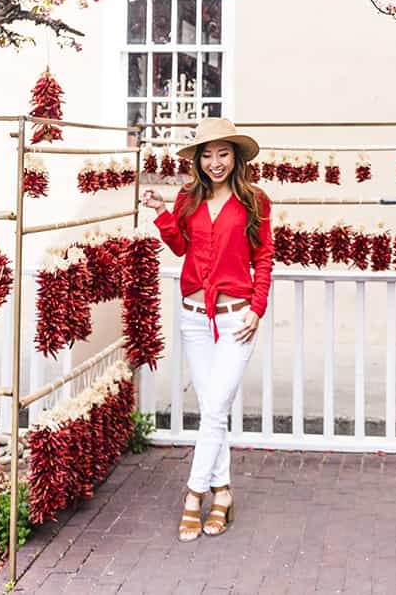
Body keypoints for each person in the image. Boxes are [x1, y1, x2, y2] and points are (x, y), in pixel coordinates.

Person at [142, 117, 274, 541]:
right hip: (194, 319)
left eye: (223, 153)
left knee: (215, 410)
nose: (215, 162)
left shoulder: (255, 200)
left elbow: (265, 257)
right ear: (198, 160)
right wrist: (162, 214)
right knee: (212, 412)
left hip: (236, 320)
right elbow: (181, 246)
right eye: (207, 154)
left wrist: (257, 307)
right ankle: (223, 492)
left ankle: (193, 496)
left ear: (236, 157)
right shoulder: (188, 198)